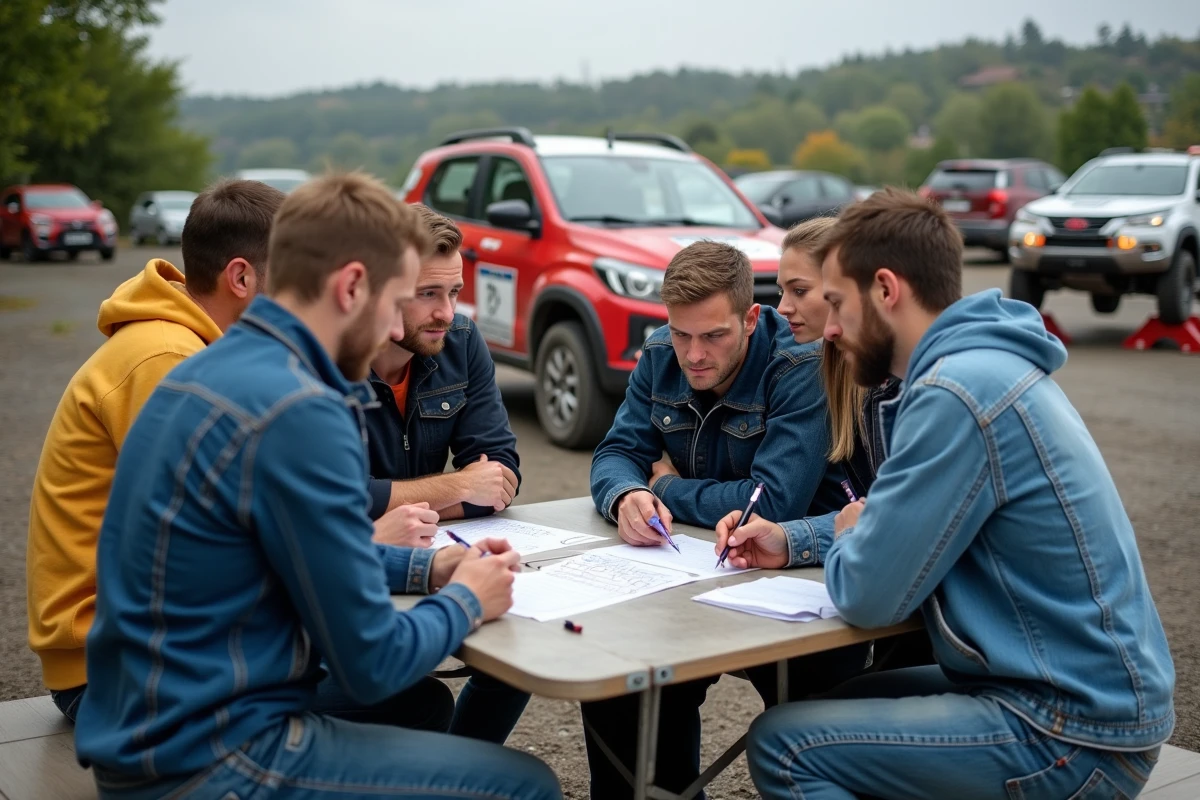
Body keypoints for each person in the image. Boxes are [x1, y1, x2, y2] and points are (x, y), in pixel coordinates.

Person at [72, 172, 562, 800]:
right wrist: (469, 598)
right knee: (527, 785)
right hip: (210, 756)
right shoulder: (302, 409)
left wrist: (432, 570)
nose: (394, 329)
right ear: (352, 286)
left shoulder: (204, 370)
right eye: (396, 301)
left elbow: (301, 550)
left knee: (426, 716)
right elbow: (371, 664)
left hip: (141, 732)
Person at [732, 188, 1174, 799]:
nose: (829, 329)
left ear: (886, 290)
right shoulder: (978, 365)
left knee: (785, 747)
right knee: (829, 702)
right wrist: (802, 537)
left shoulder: (956, 395)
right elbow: (880, 524)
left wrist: (853, 537)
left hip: (1070, 728)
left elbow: (867, 594)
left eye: (835, 303)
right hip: (1062, 692)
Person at [583, 239, 867, 799]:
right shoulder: (661, 352)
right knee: (619, 689)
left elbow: (772, 503)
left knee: (816, 707)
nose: (693, 355)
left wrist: (665, 486)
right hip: (683, 578)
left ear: (751, 317)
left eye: (713, 336)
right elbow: (613, 454)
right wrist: (625, 497)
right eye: (681, 333)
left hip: (792, 592)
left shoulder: (800, 364)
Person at [25, 178, 285, 723]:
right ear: (242, 277)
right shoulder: (167, 360)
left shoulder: (195, 348)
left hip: (159, 647)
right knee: (400, 699)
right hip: (115, 671)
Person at [720, 216, 931, 672]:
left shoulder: (912, 390)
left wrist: (665, 487)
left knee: (794, 726)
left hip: (934, 637)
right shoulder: (838, 372)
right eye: (780, 291)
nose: (784, 308)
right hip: (912, 619)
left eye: (803, 291)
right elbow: (873, 519)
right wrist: (794, 539)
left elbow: (884, 537)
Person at [364, 203, 531, 744]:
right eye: (428, 294)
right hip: (356, 574)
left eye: (455, 292)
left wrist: (396, 502)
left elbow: (500, 477)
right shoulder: (329, 363)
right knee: (413, 699)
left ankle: (459, 767)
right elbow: (333, 503)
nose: (447, 312)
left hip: (430, 554)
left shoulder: (460, 340)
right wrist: (457, 487)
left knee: (516, 652)